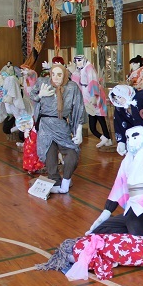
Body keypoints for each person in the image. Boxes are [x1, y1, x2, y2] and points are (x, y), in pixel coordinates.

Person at [30, 63, 85, 194]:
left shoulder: (71, 87)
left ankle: (66, 180)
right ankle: (55, 180)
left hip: (61, 124)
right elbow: (32, 96)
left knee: (72, 151)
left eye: (59, 74)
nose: (55, 77)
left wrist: (79, 130)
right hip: (45, 124)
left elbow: (78, 108)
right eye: (53, 74)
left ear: (64, 74)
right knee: (49, 152)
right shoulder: (43, 82)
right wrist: (40, 95)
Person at [71, 54, 112, 148]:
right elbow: (77, 82)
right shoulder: (81, 69)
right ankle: (106, 138)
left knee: (100, 118)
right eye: (76, 61)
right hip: (87, 95)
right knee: (96, 119)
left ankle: (107, 138)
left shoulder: (89, 68)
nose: (78, 63)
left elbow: (93, 81)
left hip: (93, 95)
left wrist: (93, 95)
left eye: (79, 60)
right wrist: (73, 71)